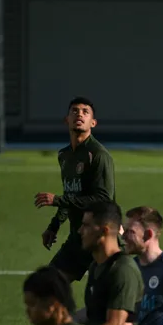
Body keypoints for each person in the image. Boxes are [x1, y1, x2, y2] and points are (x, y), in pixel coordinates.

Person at [35, 96, 115, 283]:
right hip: (78, 237)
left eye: (85, 112)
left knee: (102, 303)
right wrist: (55, 225)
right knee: (49, 285)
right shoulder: (64, 155)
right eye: (75, 111)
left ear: (93, 123)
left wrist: (57, 200)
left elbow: (103, 200)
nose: (80, 114)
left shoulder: (98, 155)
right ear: (67, 119)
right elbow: (71, 194)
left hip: (100, 238)